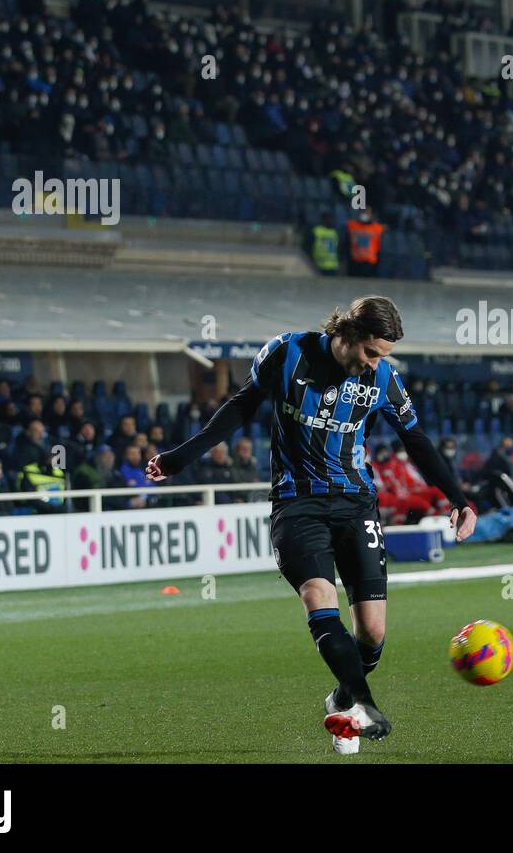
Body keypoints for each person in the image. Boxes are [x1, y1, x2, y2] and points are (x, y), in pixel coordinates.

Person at [146, 296, 476, 754]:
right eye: (372, 352)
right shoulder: (288, 353)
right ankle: (363, 703)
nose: (377, 363)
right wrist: (181, 457)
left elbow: (414, 439)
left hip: (356, 503)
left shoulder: (381, 378)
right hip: (296, 503)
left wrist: (457, 498)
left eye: (383, 355)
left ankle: (341, 699)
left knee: (373, 634)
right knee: (319, 596)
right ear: (350, 334)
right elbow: (241, 408)